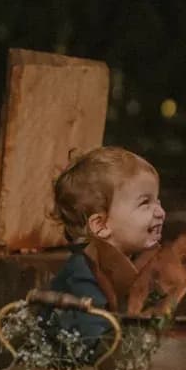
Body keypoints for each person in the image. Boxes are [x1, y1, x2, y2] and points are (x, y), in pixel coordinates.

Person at [47, 146, 167, 346]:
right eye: (145, 203)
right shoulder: (84, 273)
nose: (160, 212)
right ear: (101, 226)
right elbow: (94, 341)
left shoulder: (139, 260)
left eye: (158, 201)